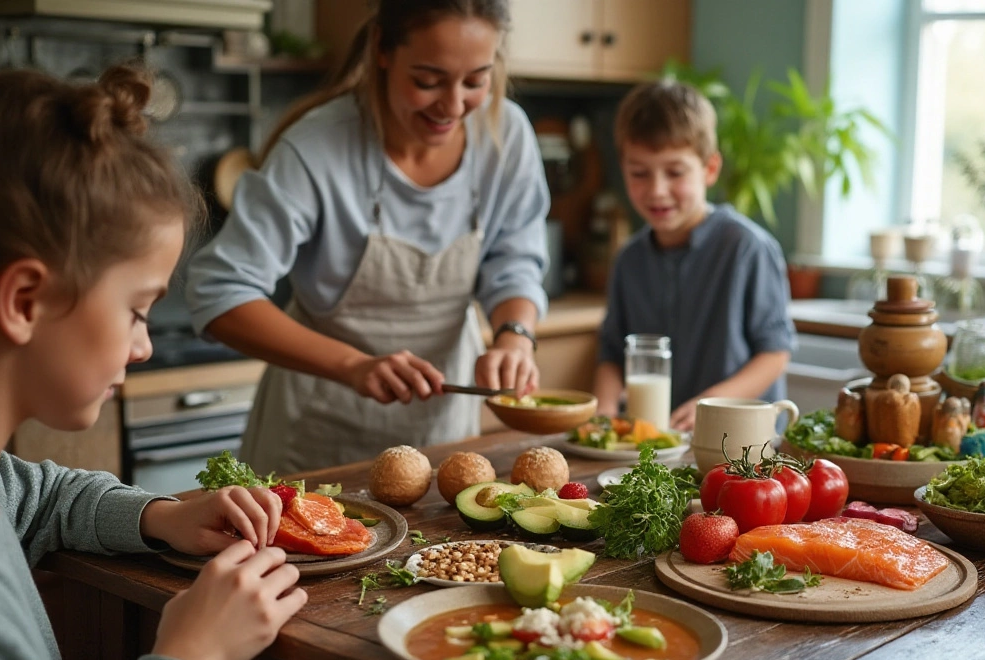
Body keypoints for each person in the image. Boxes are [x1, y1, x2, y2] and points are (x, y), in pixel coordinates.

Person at [0, 66, 308, 660]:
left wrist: (160, 516)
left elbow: (42, 496)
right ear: (24, 300)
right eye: (136, 310)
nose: (145, 346)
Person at [186, 0, 551, 475]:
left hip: (443, 431)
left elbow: (516, 260)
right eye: (428, 80)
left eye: (476, 80)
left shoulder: (507, 135)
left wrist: (514, 335)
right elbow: (219, 294)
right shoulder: (315, 147)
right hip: (318, 434)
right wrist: (353, 365)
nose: (454, 105)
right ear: (382, 48)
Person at [594, 80, 798, 432]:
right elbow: (611, 354)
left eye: (675, 172)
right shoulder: (630, 260)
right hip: (658, 447)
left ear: (709, 169)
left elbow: (775, 354)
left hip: (743, 443)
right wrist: (605, 411)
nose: (657, 190)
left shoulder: (746, 248)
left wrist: (711, 405)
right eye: (639, 173)